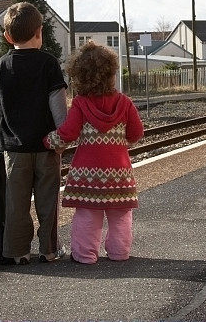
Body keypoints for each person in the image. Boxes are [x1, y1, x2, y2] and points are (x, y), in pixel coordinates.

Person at [43, 41, 144, 264]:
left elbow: (68, 133)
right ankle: (119, 253)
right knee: (120, 215)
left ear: (80, 76)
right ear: (111, 72)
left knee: (88, 214)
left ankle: (85, 254)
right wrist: (119, 141)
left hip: (87, 175)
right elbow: (136, 133)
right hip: (119, 173)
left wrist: (48, 140)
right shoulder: (125, 103)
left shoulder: (80, 103)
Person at [0, 2, 68, 265]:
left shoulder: (2, 65)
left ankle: (18, 251)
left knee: (16, 204)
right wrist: (62, 140)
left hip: (14, 150)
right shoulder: (48, 63)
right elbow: (57, 103)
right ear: (40, 32)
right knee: (48, 202)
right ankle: (49, 250)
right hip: (47, 147)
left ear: (7, 37)